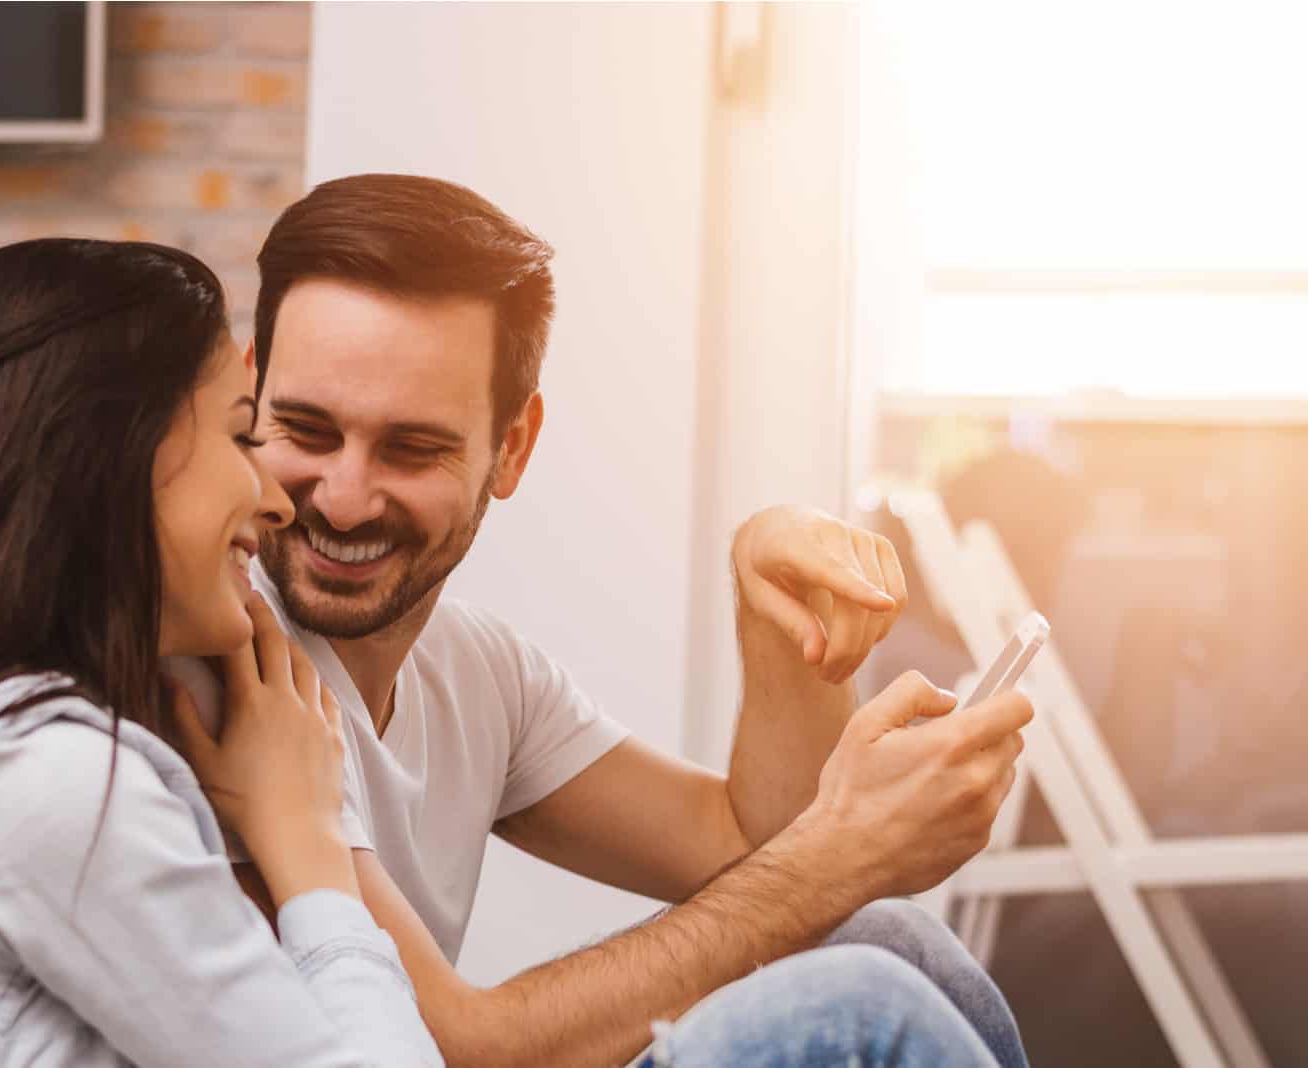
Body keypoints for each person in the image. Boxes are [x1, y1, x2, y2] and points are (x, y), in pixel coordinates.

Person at [170, 174, 1037, 1068]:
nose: (345, 501)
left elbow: (753, 847)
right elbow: (458, 1049)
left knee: (887, 938)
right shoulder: (224, 671)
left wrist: (770, 588)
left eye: (412, 448)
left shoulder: (476, 671)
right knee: (863, 1003)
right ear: (249, 393)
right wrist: (841, 855)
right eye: (306, 431)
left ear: (511, 448)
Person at [0, 240, 443, 1068]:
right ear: (116, 453)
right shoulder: (43, 786)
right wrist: (310, 851)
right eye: (243, 438)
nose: (276, 500)